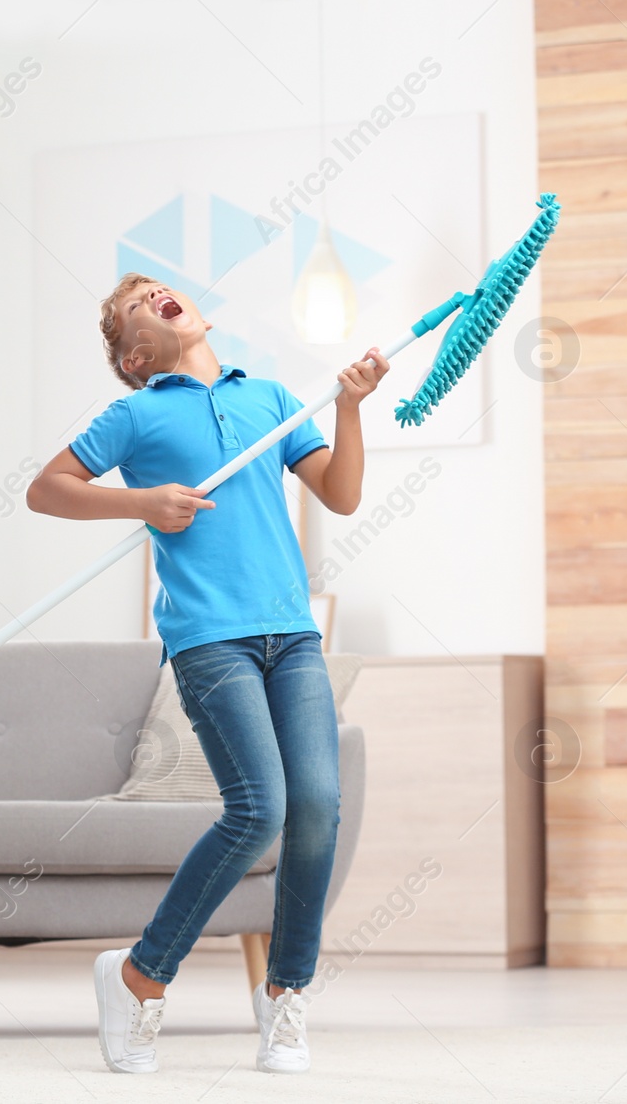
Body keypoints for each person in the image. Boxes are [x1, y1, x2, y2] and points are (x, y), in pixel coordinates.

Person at [26, 273, 387, 1076]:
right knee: (259, 811)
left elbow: (343, 493)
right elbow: (46, 489)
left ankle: (286, 997)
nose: (155, 294)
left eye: (159, 286)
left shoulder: (269, 402)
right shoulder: (136, 414)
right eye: (133, 304)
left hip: (292, 637)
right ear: (133, 355)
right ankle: (138, 978)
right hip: (208, 642)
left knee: (318, 807)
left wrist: (350, 408)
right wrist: (144, 502)